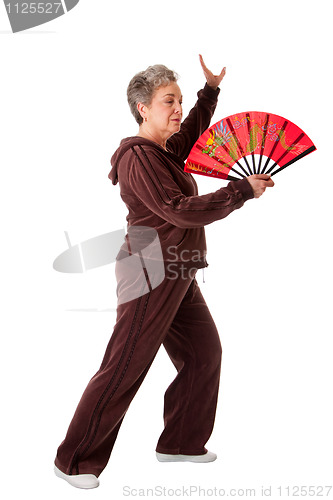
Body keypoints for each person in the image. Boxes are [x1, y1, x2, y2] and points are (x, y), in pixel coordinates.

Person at [54, 55, 274, 489]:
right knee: (124, 367)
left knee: (203, 354)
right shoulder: (140, 158)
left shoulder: (164, 150)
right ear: (143, 108)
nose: (176, 109)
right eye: (167, 101)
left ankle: (180, 442)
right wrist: (240, 191)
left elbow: (190, 135)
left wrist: (208, 92)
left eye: (177, 100)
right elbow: (179, 211)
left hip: (179, 269)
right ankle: (73, 460)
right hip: (150, 271)